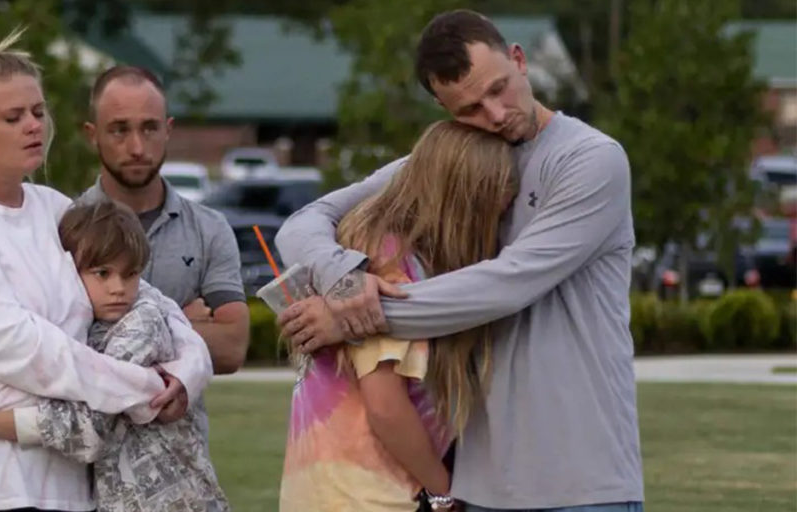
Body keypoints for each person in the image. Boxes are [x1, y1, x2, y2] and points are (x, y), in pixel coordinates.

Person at [275, 10, 643, 512]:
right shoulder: (452, 164)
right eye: (469, 108)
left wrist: (356, 319)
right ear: (442, 107)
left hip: (579, 481)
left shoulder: (590, 160)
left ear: (519, 59)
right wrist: (343, 279)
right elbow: (304, 221)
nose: (494, 115)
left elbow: (507, 283)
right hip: (477, 483)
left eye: (499, 89)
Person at [0, 31, 211, 512]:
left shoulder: (56, 210)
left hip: (65, 491)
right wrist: (140, 388)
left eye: (39, 112)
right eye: (13, 117)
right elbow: (14, 344)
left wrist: (186, 374)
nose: (33, 126)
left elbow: (152, 304)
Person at [0, 200, 230, 512]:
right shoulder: (86, 321)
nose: (118, 288)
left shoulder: (140, 323)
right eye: (102, 273)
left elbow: (90, 428)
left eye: (130, 274)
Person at [279, 120, 518, 512]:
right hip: (366, 494)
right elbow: (385, 406)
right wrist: (443, 493)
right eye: (497, 194)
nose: (507, 202)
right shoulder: (386, 257)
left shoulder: (390, 253)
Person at [76, 65, 249, 376]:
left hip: (179, 425)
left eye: (149, 128)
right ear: (92, 135)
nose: (137, 147)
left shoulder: (208, 229)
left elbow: (231, 348)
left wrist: (110, 330)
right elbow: (61, 348)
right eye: (119, 129)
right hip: (90, 424)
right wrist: (182, 322)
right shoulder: (67, 226)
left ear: (168, 130)